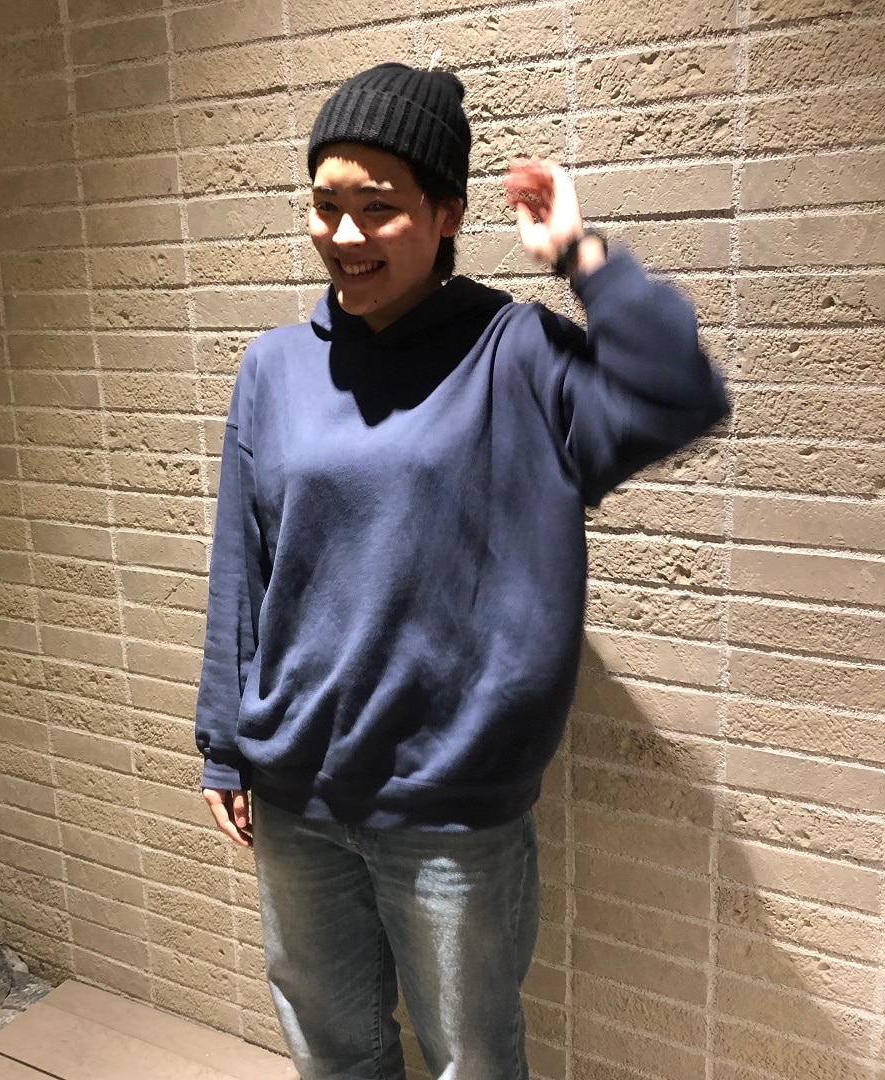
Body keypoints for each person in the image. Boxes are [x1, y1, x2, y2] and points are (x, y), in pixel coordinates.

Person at [194, 62, 729, 1080]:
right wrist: (225, 743)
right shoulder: (274, 368)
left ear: (447, 215)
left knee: (469, 1061)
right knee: (335, 1051)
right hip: (297, 797)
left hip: (451, 808)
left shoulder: (514, 353)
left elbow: (676, 393)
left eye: (379, 208)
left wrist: (582, 254)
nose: (344, 234)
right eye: (325, 205)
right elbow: (244, 559)